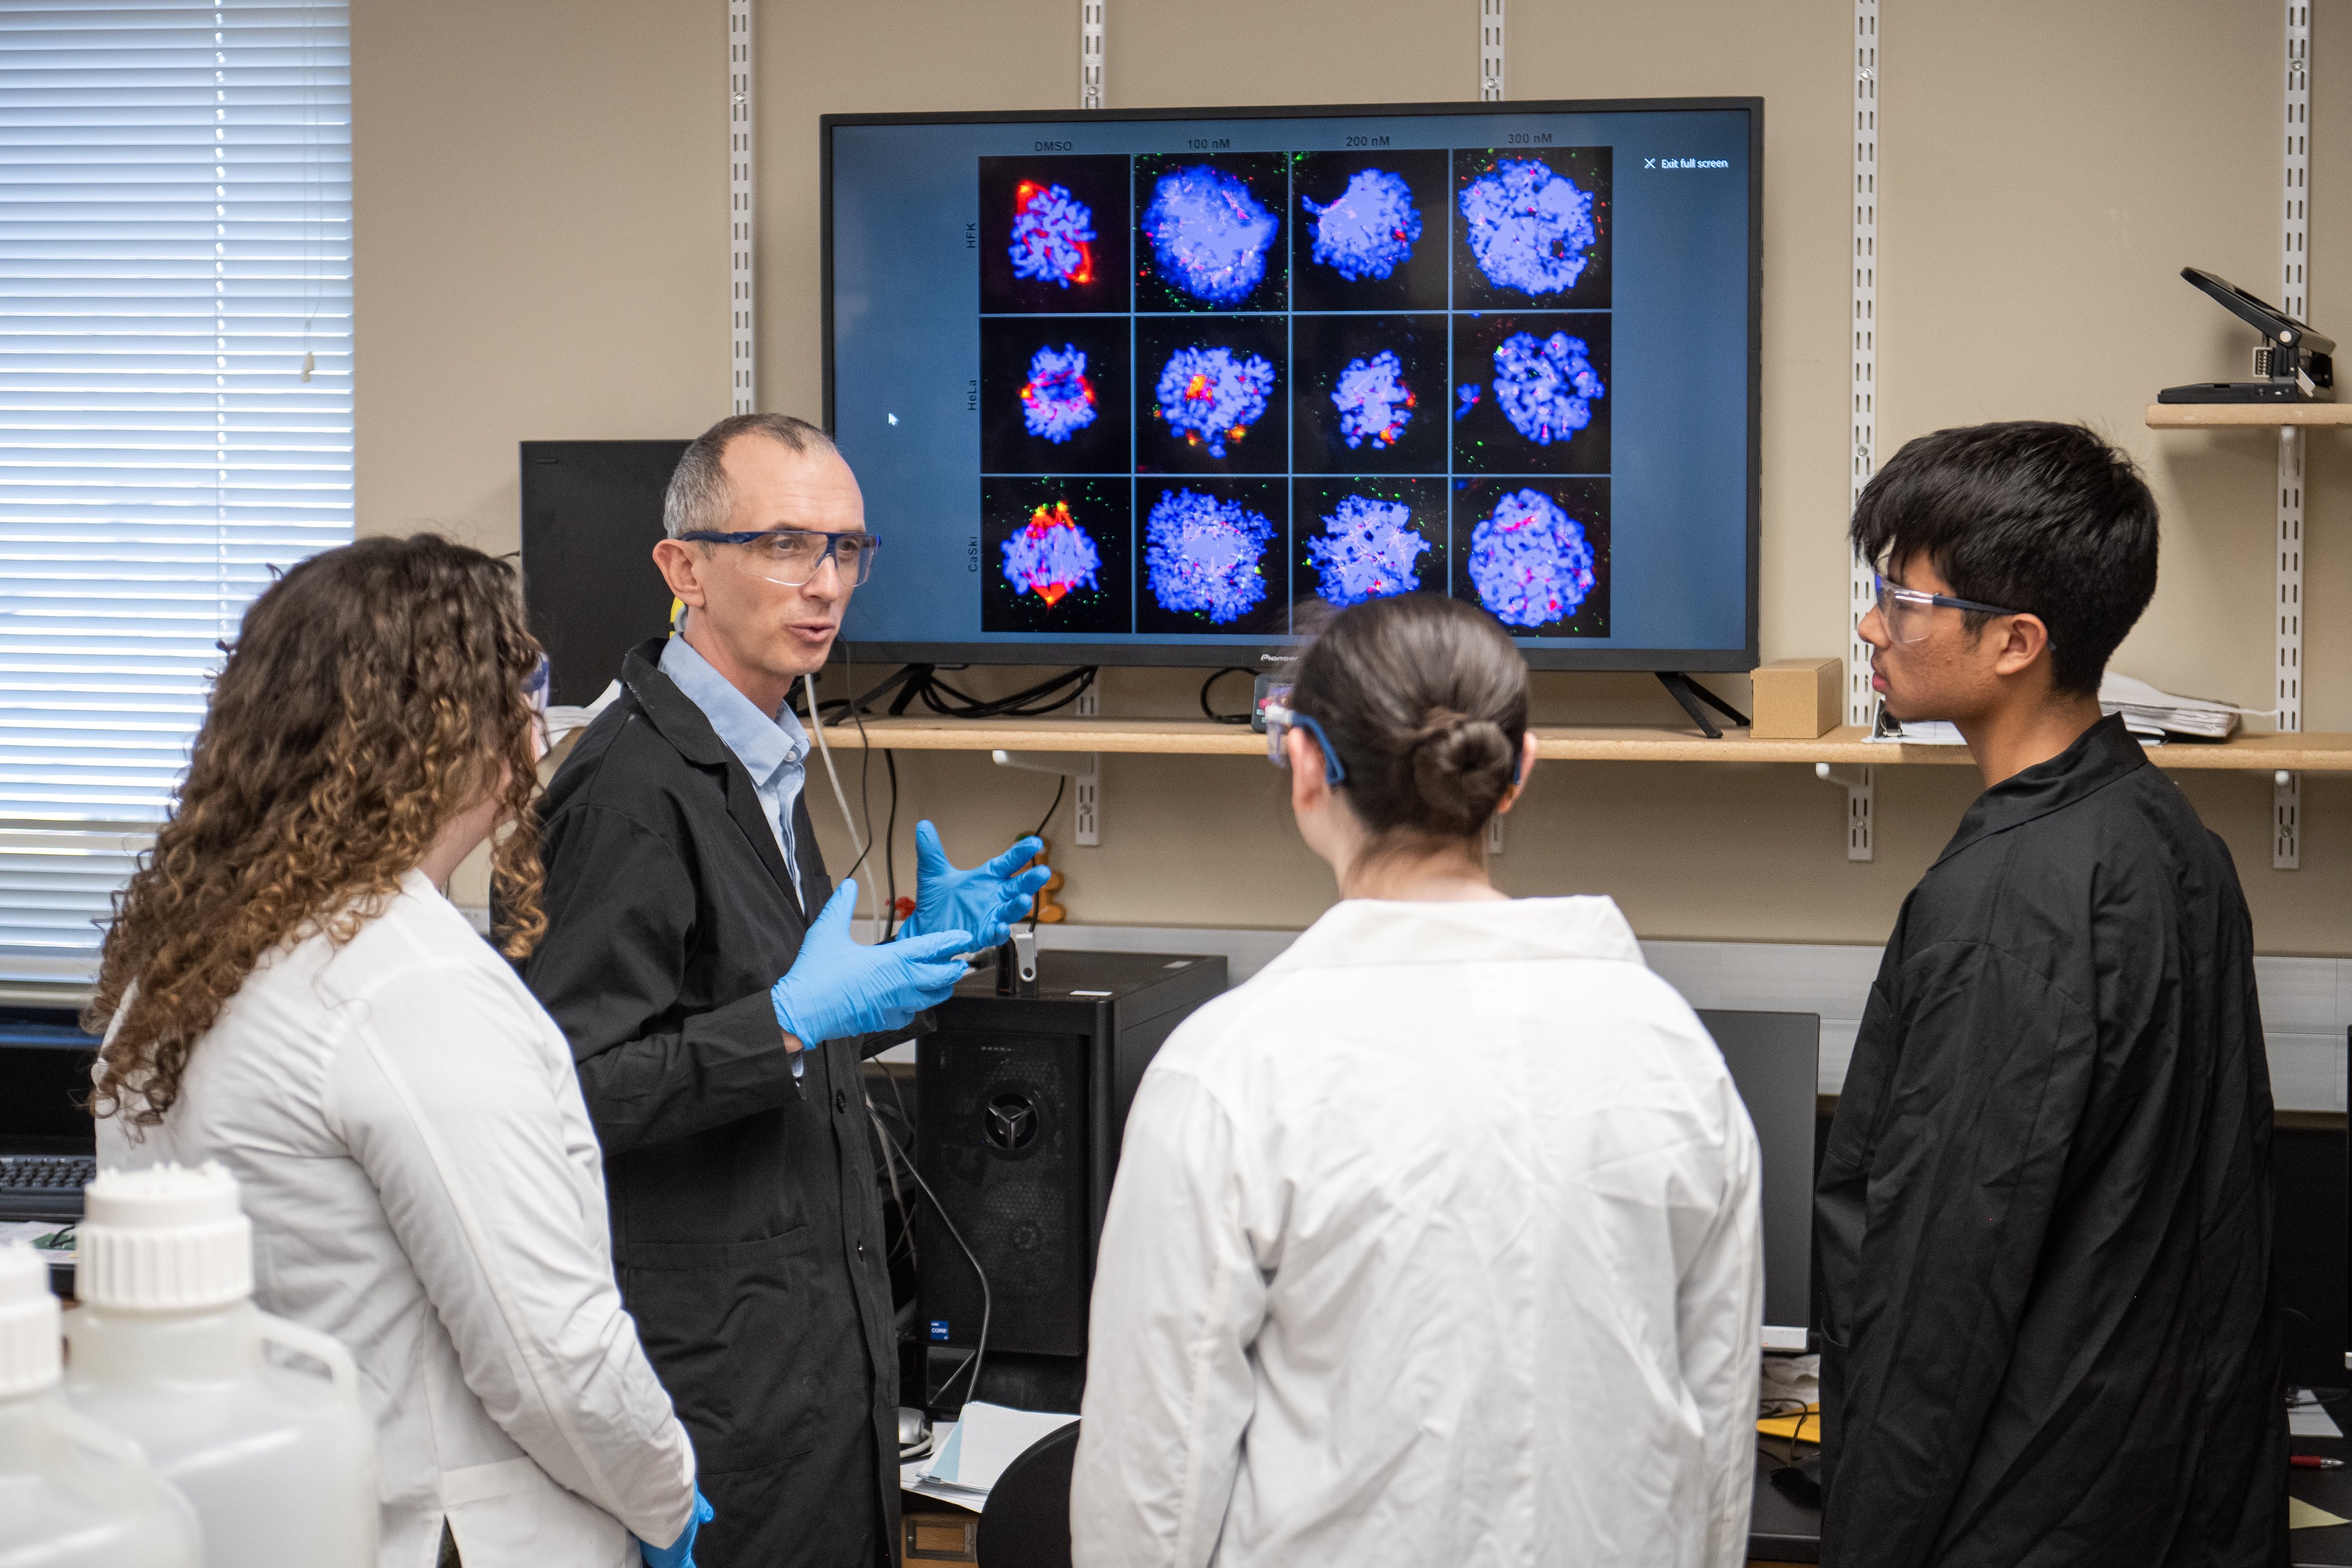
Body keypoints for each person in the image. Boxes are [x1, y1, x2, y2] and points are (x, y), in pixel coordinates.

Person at [1070, 594, 1763, 1568]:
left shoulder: (1235, 1068)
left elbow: (1153, 1482)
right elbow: (1720, 1428)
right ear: (1518, 772)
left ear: (1304, 761)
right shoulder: (1672, 1053)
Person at [84, 536, 709, 1568]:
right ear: (454, 726)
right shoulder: (409, 983)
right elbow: (552, 1359)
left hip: (262, 1519)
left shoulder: (188, 958)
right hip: (445, 1531)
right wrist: (668, 1497)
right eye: (524, 683)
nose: (536, 717)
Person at [523, 412, 1050, 1568]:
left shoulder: (759, 750)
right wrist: (793, 1017)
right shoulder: (630, 789)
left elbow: (780, 1010)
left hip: (819, 1362)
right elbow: (571, 1095)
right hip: (716, 1384)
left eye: (847, 550)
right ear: (684, 566)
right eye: (782, 545)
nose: (823, 585)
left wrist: (919, 964)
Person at [1815, 421, 2285, 1567]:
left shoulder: (2013, 900)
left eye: (1902, 597)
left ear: (2017, 639)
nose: (1874, 625)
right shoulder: (2167, 834)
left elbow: (1942, 1289)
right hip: (2150, 1490)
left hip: (2009, 1510)